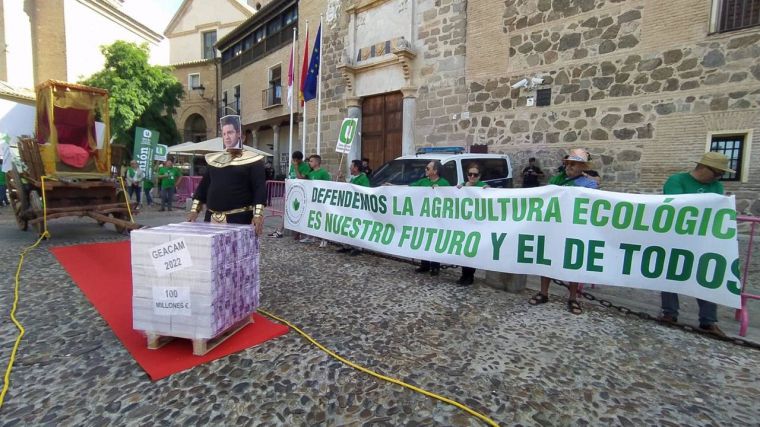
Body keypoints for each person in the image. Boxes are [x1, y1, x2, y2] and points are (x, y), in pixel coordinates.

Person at [659, 152, 733, 337]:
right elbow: (678, 205)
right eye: (717, 173)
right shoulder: (676, 180)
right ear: (704, 168)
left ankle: (708, 321)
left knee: (706, 276)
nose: (719, 178)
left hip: (703, 238)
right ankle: (669, 313)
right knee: (671, 274)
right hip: (676, 237)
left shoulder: (716, 187)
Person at [529, 148, 599, 314]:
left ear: (583, 166)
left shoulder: (589, 184)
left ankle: (573, 298)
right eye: (568, 163)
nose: (570, 166)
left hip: (575, 229)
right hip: (554, 227)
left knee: (573, 262)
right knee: (546, 260)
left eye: (574, 164)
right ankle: (544, 293)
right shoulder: (556, 179)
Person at [187, 114, 267, 235]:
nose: (227, 137)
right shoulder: (214, 160)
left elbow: (259, 189)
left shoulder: (254, 161)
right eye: (224, 134)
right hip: (211, 218)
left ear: (241, 135)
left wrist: (258, 215)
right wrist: (194, 210)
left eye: (230, 133)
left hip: (240, 219)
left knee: (238, 253)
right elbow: (203, 188)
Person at [411, 160, 450, 276]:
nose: (425, 170)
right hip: (424, 217)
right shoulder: (422, 181)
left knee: (434, 240)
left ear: (435, 171)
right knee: (424, 239)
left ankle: (435, 266)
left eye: (428, 168)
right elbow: (408, 188)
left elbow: (451, 197)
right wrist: (392, 187)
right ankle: (425, 264)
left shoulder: (444, 183)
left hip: (437, 218)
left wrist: (440, 191)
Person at [454, 163, 489, 285]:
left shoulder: (482, 186)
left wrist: (488, 190)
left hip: (476, 224)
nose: (472, 177)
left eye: (475, 175)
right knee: (464, 250)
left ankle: (470, 276)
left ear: (480, 176)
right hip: (464, 224)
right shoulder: (462, 186)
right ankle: (464, 275)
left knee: (472, 251)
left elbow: (491, 197)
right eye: (470, 174)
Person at [268, 151, 311, 238]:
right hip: (291, 191)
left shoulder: (305, 167)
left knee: (296, 212)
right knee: (287, 211)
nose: (294, 162)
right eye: (293, 160)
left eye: (296, 160)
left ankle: (289, 232)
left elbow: (300, 178)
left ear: (300, 160)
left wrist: (295, 167)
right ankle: (280, 231)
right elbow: (291, 176)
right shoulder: (293, 165)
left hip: (300, 193)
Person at [336, 160, 370, 256]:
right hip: (350, 207)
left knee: (356, 227)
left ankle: (358, 247)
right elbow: (349, 187)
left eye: (351, 166)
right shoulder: (353, 178)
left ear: (356, 168)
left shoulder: (363, 178)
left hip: (358, 208)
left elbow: (365, 191)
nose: (350, 168)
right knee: (347, 225)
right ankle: (347, 245)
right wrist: (342, 178)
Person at [301, 154, 332, 247]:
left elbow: (328, 185)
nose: (309, 163)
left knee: (322, 219)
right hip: (312, 200)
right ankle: (310, 236)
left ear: (317, 162)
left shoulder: (323, 173)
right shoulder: (310, 173)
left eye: (311, 161)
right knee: (311, 218)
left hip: (321, 200)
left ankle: (324, 239)